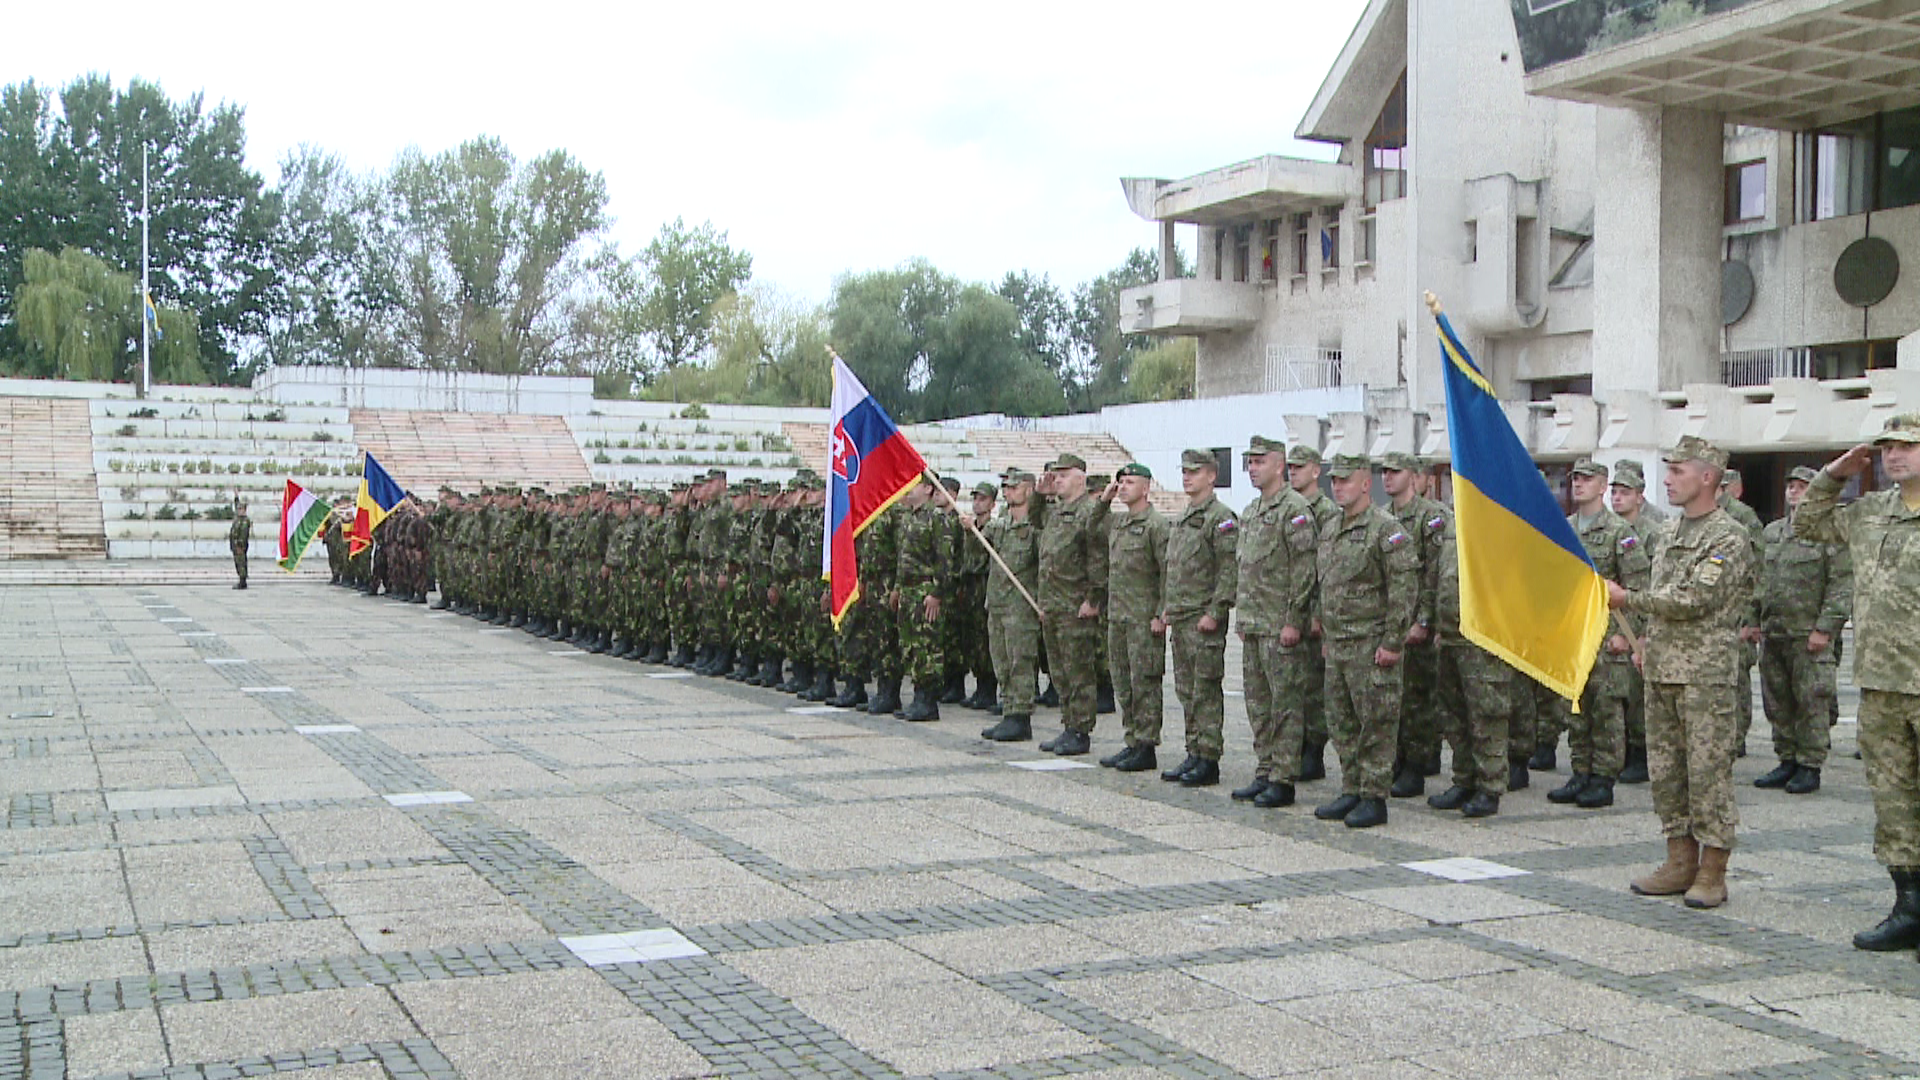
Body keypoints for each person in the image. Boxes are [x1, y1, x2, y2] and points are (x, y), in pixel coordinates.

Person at [1608, 436, 1755, 910]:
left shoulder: (1727, 536)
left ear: (1707, 477)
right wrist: (1645, 639)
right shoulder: (1669, 533)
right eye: (1667, 471)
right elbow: (1662, 598)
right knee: (1667, 774)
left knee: (1708, 775)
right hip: (1662, 670)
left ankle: (1713, 871)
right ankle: (1679, 859)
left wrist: (1628, 600)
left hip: (1705, 676)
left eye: (1678, 472)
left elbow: (1696, 600)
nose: (1667, 480)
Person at [1794, 413, 1920, 955]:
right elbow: (1807, 523)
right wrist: (1836, 473)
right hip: (1881, 684)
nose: (1895, 456)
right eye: (1888, 447)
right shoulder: (1870, 513)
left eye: (1908, 446)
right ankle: (1908, 906)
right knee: (1893, 801)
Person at [1312, 454, 1419, 829]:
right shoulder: (1330, 528)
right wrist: (1325, 630)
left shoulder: (1386, 530)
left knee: (1375, 723)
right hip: (1338, 645)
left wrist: (1393, 642)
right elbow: (1326, 584)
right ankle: (1352, 787)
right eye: (1334, 481)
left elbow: (1404, 589)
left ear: (1364, 484)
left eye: (1345, 480)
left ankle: (1374, 796)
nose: (1338, 486)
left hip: (1371, 646)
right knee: (1341, 722)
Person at [1550, 459, 1650, 810]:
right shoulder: (1565, 528)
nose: (1578, 484)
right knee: (1577, 708)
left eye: (1586, 479)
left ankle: (1603, 778)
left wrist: (1630, 635)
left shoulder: (1619, 532)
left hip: (1608, 638)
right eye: (1575, 478)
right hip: (1576, 637)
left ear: (1603, 485)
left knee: (1606, 710)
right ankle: (1581, 772)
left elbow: (1638, 586)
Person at [1232, 436, 1320, 807]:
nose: (1253, 468)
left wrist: (1294, 620)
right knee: (1258, 704)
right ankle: (1265, 769)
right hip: (1255, 624)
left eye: (1260, 461)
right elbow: (1245, 567)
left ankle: (1284, 778)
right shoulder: (1251, 512)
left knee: (1285, 705)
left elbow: (1304, 571)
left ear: (1279, 465)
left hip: (1280, 627)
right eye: (1249, 462)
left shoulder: (1295, 510)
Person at [1753, 466, 1852, 796]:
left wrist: (1826, 628)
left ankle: (1810, 764)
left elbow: (1841, 585)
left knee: (1812, 700)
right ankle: (1787, 758)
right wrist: (1752, 619)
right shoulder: (1772, 533)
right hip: (1775, 631)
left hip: (1809, 634)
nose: (1794, 492)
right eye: (1791, 486)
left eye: (1802, 486)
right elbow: (1759, 582)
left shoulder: (1829, 533)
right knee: (1777, 700)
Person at [1427, 504, 1515, 817]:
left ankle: (1490, 786)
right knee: (1454, 714)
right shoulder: (1452, 521)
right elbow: (1438, 577)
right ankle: (1464, 779)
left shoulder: (1502, 521)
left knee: (1486, 714)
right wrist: (1436, 623)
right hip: (1450, 634)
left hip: (1483, 638)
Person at [1158, 449, 1238, 787]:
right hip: (1182, 618)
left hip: (1203, 620)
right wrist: (1167, 607)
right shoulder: (1185, 517)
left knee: (1205, 689)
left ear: (1211, 476)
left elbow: (1228, 569)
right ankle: (1194, 751)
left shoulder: (1220, 517)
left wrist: (1216, 611)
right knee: (1187, 690)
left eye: (1195, 471)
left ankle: (1209, 757)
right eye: (1185, 471)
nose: (1187, 477)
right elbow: (1174, 568)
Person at [1380, 452, 1448, 798]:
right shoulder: (1382, 518)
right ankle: (1396, 759)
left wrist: (1425, 619)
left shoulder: (1431, 518)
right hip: (1391, 621)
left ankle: (1416, 766)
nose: (1387, 478)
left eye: (1395, 472)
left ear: (1414, 476)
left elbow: (1435, 574)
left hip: (1418, 623)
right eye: (1384, 472)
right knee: (1393, 699)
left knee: (1420, 700)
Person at [1035, 454, 1108, 756]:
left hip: (1076, 605)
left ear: (1081, 478)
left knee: (1079, 672)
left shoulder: (1089, 512)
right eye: (1055, 475)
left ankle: (1081, 730)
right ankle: (1069, 725)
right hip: (1053, 605)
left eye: (1063, 475)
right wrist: (1041, 498)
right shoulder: (1057, 512)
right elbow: (1033, 521)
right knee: (1060, 672)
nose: (1057, 480)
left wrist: (1094, 599)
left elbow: (1099, 558)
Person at [1098, 463, 1169, 771]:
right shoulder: (1119, 523)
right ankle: (1132, 739)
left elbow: (1168, 571)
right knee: (1123, 683)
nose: (1124, 487)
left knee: (1145, 683)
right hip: (1118, 617)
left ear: (1146, 487)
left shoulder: (1156, 526)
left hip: (1143, 619)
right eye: (1121, 482)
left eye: (1130, 482)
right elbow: (1088, 529)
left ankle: (1147, 744)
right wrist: (1104, 500)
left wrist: (1161, 613)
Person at [1609, 459, 1665, 783]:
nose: (1618, 498)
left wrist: (1640, 633)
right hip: (1614, 620)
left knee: (1639, 695)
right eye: (1614, 491)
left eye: (1625, 492)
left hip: (1639, 622)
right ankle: (1624, 752)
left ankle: (1641, 754)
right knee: (1619, 694)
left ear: (1639, 497)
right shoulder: (1613, 529)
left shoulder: (1651, 534)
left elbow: (1651, 585)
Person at [1289, 444, 1340, 783]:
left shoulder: (1326, 511)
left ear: (1315, 471)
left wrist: (1319, 613)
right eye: (1290, 467)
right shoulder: (1289, 508)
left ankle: (1314, 750)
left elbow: (1326, 567)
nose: (1293, 472)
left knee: (1314, 687)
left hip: (1314, 614)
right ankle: (1296, 746)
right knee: (1294, 685)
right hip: (1292, 610)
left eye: (1300, 467)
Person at [981, 469, 1043, 743]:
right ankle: (1008, 710)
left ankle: (1020, 715)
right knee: (1001, 661)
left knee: (1020, 662)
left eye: (1013, 487)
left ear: (1028, 490)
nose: (1007, 492)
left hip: (1021, 605)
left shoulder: (1035, 526)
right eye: (1005, 487)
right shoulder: (1001, 525)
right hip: (997, 603)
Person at [893, 478, 955, 721]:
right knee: (911, 646)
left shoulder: (936, 518)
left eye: (915, 484)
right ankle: (918, 696)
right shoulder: (911, 517)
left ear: (928, 488)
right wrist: (898, 587)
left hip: (925, 590)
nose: (909, 488)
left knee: (927, 647)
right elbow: (903, 558)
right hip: (908, 590)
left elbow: (945, 559)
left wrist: (937, 594)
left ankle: (928, 701)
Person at [1722, 468, 1766, 755]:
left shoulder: (1742, 516)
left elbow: (1756, 571)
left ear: (1736, 489)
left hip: (1739, 615)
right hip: (1716, 617)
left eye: (1726, 486)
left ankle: (1736, 739)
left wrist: (1750, 619)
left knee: (1736, 680)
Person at [228, 502, 250, 590]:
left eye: (241, 509)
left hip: (240, 546)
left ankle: (243, 581)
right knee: (238, 562)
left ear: (244, 510)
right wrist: (236, 496)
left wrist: (240, 545)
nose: (239, 510)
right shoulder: (238, 519)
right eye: (238, 509)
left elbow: (244, 535)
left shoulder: (244, 521)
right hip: (235, 545)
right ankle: (241, 579)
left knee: (241, 563)